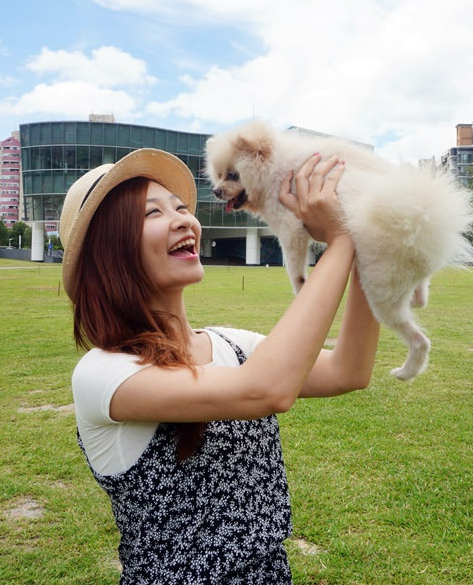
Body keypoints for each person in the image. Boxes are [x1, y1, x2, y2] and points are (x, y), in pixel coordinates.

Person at [60, 147, 380, 584]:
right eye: (152, 213)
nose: (183, 220)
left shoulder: (232, 344)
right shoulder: (103, 374)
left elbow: (349, 371)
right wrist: (339, 240)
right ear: (109, 252)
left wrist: (367, 245)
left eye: (180, 208)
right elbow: (267, 389)